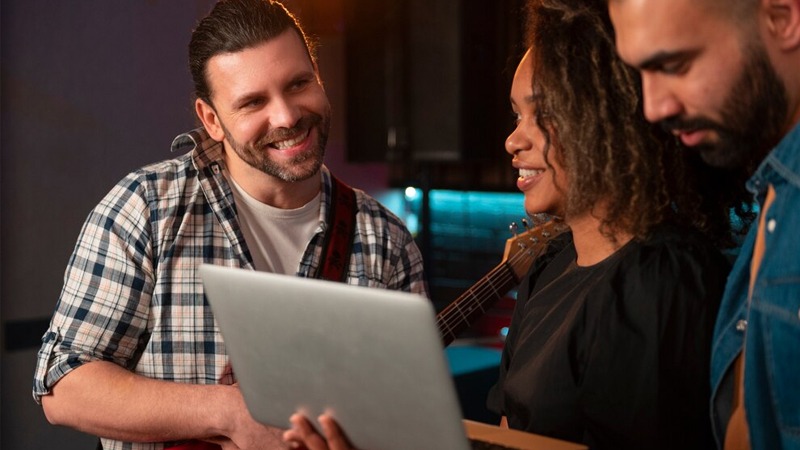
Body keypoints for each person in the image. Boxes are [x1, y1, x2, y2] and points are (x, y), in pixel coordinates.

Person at [282, 0, 751, 449]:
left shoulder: (662, 279)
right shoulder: (550, 262)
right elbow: (509, 432)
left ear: (608, 119)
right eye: (515, 114)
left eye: (542, 114)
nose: (512, 140)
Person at [32, 1, 427, 449]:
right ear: (211, 120)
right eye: (253, 102)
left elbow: (406, 418)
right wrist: (230, 413)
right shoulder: (146, 208)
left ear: (318, 76)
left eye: (298, 84)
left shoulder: (387, 239)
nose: (287, 116)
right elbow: (62, 385)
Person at [608, 0, 800, 448]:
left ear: (783, 19)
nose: (653, 108)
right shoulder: (775, 186)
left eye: (674, 65)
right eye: (640, 72)